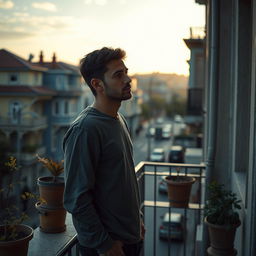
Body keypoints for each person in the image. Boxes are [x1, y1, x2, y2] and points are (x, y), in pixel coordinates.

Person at [63, 47, 145, 256]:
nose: (128, 80)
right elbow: (77, 198)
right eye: (118, 75)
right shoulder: (86, 129)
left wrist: (137, 221)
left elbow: (121, 181)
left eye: (126, 72)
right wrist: (105, 244)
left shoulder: (119, 119)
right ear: (97, 84)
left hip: (129, 239)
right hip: (107, 248)